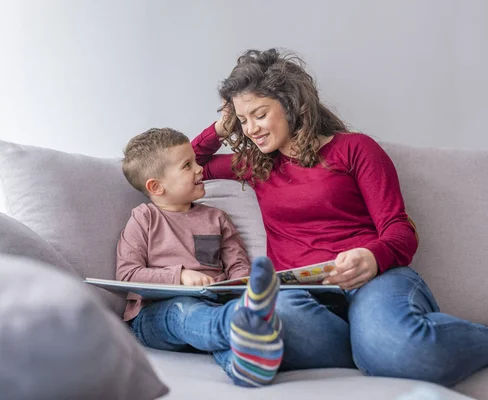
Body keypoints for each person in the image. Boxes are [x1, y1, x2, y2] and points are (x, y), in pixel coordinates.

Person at [192, 48, 488, 386]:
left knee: (399, 349)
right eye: (243, 121)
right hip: (302, 296)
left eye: (259, 114)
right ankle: (366, 347)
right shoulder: (258, 165)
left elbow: (400, 231)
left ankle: (376, 345)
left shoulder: (354, 149)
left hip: (373, 282)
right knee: (265, 318)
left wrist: (371, 257)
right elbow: (190, 166)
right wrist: (222, 125)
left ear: (291, 104)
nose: (251, 130)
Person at [116, 127, 285, 387]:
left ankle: (243, 365)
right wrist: (180, 276)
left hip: (213, 305)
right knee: (184, 311)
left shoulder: (215, 218)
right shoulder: (144, 218)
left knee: (210, 318)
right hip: (156, 315)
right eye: (187, 165)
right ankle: (243, 320)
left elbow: (238, 263)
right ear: (156, 186)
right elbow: (127, 275)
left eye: (196, 161)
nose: (199, 169)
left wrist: (240, 284)